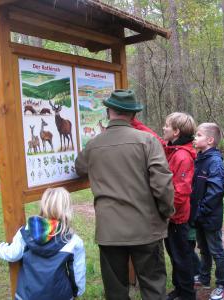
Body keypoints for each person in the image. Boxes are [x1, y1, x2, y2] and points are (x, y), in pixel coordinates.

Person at [75, 89, 174, 300]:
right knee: (153, 286)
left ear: (108, 111)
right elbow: (162, 184)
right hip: (146, 227)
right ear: (133, 115)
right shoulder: (147, 141)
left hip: (109, 230)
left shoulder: (93, 145)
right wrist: (165, 212)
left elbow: (79, 168)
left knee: (116, 291)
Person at [131, 113, 197, 300]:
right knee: (175, 255)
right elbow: (155, 138)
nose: (163, 128)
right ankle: (179, 289)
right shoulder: (172, 148)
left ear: (176, 132)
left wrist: (165, 212)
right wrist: (134, 122)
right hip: (171, 216)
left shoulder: (182, 156)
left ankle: (187, 294)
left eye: (167, 126)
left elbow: (180, 193)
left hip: (176, 218)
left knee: (181, 258)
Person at [0, 187, 86, 300]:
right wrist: (77, 292)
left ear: (43, 205)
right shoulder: (73, 241)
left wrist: (0, 248)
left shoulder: (26, 231)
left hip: (27, 295)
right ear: (67, 209)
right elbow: (78, 273)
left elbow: (12, 255)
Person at [191, 123, 224, 300]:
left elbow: (216, 190)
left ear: (210, 140)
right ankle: (204, 278)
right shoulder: (199, 158)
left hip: (209, 216)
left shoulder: (215, 161)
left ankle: (222, 285)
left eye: (198, 135)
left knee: (216, 251)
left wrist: (201, 210)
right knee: (203, 249)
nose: (195, 138)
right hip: (199, 216)